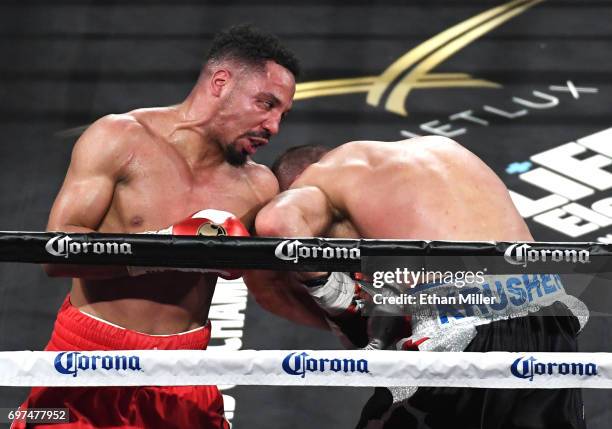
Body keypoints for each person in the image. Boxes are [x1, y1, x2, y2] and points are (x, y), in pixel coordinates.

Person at [14, 24, 298, 429]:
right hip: (88, 360)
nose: (273, 127)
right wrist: (164, 246)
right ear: (221, 82)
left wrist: (338, 299)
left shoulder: (258, 185)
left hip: (183, 373)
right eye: (265, 104)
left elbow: (273, 283)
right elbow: (56, 252)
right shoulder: (120, 139)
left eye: (282, 114)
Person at [246, 137, 588, 429]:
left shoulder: (320, 180)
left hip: (464, 333)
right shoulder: (440, 152)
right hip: (550, 322)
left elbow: (278, 223)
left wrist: (336, 295)